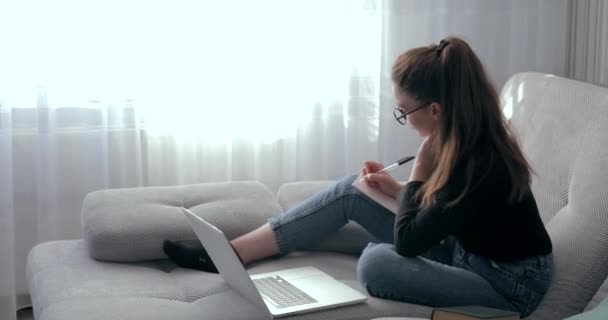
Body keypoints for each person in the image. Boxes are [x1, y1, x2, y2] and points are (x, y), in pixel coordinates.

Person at [163, 36, 553, 317]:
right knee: (352, 190)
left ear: (435, 109)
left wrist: (416, 175)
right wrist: (399, 189)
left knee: (376, 263)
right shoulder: (459, 140)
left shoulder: (478, 162)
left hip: (506, 282)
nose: (405, 119)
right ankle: (234, 252)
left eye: (404, 110)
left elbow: (409, 242)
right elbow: (452, 213)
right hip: (466, 249)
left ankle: (233, 254)